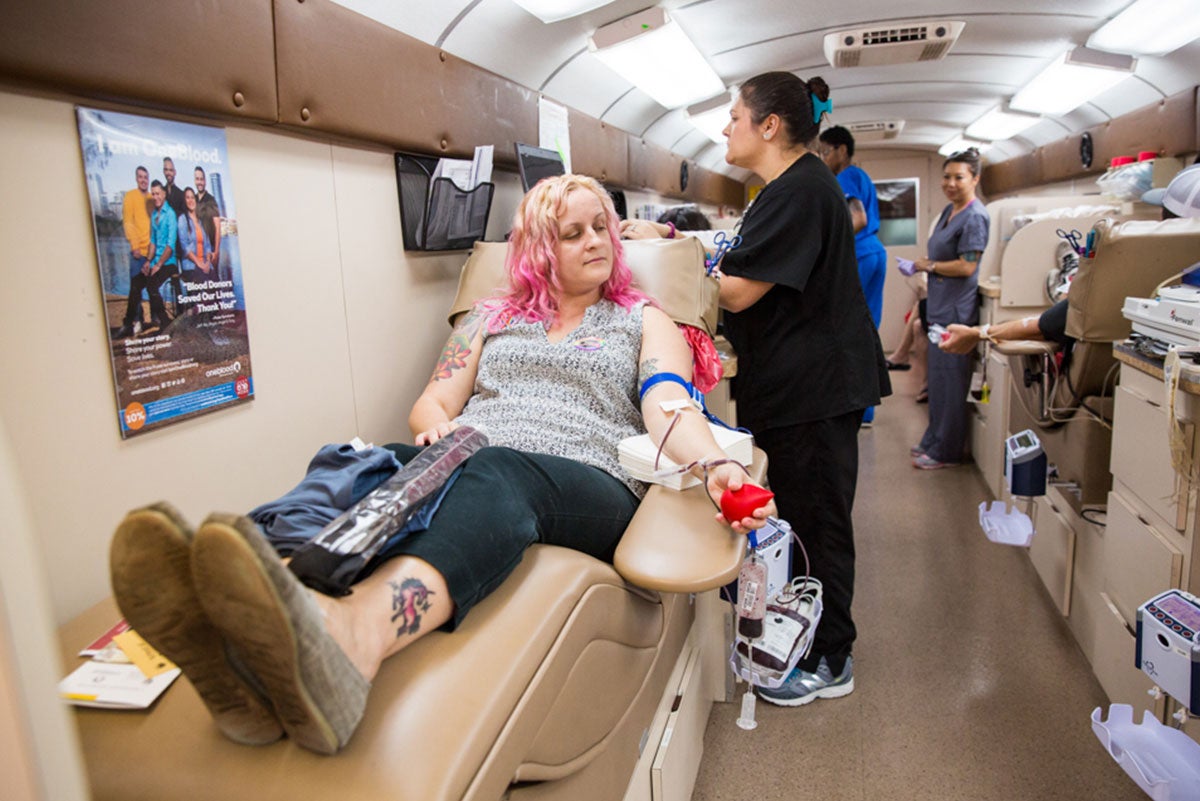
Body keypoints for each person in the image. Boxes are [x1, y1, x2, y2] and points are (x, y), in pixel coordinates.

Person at [108, 174, 777, 755]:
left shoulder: (642, 319)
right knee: (366, 460)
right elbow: (432, 403)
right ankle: (257, 602)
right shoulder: (490, 317)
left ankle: (357, 637)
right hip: (473, 454)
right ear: (542, 249)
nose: (599, 240)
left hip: (583, 481)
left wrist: (714, 463)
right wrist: (439, 435)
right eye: (573, 233)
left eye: (601, 225)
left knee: (496, 468)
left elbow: (668, 406)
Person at [624, 72, 889, 707]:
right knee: (800, 509)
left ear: (769, 125)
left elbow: (738, 286)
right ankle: (801, 639)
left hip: (816, 386)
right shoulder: (785, 189)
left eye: (735, 117)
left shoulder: (800, 191)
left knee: (820, 520)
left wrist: (650, 285)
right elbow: (738, 252)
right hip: (800, 382)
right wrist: (672, 238)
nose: (725, 128)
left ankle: (831, 656)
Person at [910, 148, 989, 470]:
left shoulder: (974, 217)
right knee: (938, 381)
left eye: (959, 177)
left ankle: (947, 451)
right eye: (946, 176)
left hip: (957, 311)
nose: (951, 183)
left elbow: (968, 267)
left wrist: (929, 266)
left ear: (975, 178)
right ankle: (933, 439)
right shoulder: (948, 212)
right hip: (940, 306)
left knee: (952, 381)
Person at [819, 125, 887, 427]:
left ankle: (857, 408)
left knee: (851, 331)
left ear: (841, 151)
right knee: (868, 326)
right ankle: (866, 410)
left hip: (860, 254)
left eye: (825, 152)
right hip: (874, 252)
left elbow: (857, 217)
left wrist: (828, 241)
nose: (822, 158)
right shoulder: (862, 176)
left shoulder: (845, 177)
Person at [116, 166, 152, 337]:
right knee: (135, 288)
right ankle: (136, 320)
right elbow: (128, 222)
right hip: (138, 251)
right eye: (140, 177)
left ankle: (155, 317)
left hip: (151, 251)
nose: (143, 180)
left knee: (151, 286)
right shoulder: (130, 196)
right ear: (136, 179)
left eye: (146, 177)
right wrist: (135, 245)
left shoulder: (153, 198)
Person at [177, 187, 214, 311]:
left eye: (192, 197)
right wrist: (199, 264)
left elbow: (208, 245)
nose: (190, 200)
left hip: (204, 262)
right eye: (187, 197)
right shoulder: (182, 220)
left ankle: (210, 319)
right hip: (191, 265)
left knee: (216, 285)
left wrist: (208, 262)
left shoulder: (201, 221)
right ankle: (197, 317)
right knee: (200, 288)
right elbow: (185, 247)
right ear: (184, 200)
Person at [193, 165, 223, 276]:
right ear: (195, 181)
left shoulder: (211, 200)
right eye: (197, 179)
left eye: (201, 179)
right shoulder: (194, 200)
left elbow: (217, 227)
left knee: (213, 282)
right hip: (199, 251)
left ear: (205, 181)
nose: (199, 182)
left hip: (211, 250)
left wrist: (216, 251)